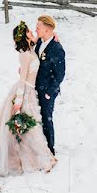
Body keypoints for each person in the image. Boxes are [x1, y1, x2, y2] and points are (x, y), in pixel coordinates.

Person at [0, 21, 57, 175]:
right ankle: (31, 158)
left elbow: (42, 39)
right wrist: (19, 101)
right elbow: (22, 80)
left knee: (32, 127)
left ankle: (38, 155)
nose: (32, 32)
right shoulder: (25, 54)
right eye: (29, 31)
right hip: (25, 91)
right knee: (30, 127)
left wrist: (55, 36)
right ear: (24, 36)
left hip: (31, 90)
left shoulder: (31, 48)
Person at [34, 15, 66, 156]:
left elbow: (60, 74)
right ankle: (39, 148)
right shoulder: (40, 42)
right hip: (35, 87)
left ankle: (50, 150)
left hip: (47, 90)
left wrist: (49, 92)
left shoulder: (57, 49)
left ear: (47, 30)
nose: (36, 30)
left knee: (47, 119)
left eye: (38, 28)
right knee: (37, 118)